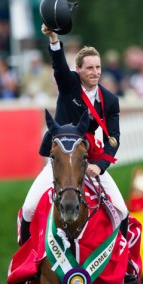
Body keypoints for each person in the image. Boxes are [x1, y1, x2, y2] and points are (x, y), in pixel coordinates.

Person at [20, 23, 128, 245]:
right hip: (61, 157)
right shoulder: (69, 84)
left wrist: (100, 166)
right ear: (78, 70)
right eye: (89, 68)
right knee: (29, 208)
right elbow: (58, 65)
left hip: (86, 158)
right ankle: (26, 258)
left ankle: (125, 261)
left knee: (122, 209)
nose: (95, 72)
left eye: (98, 67)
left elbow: (113, 138)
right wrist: (53, 39)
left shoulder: (110, 100)